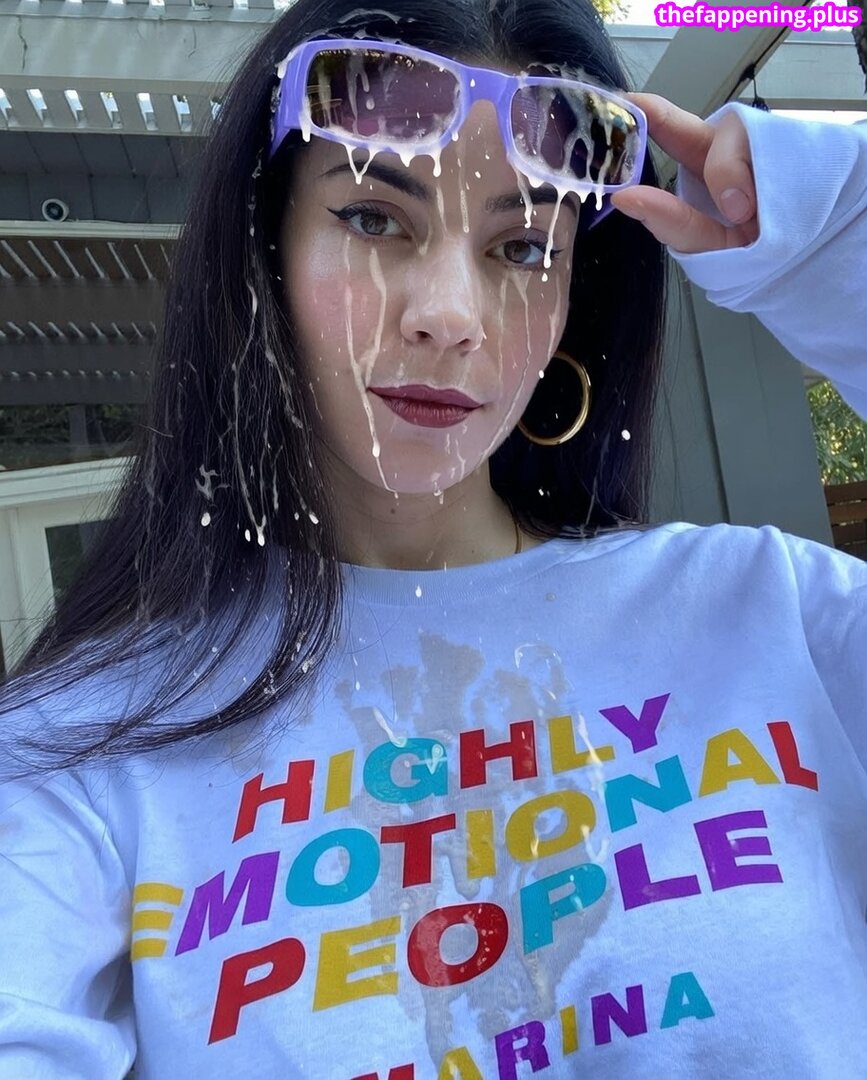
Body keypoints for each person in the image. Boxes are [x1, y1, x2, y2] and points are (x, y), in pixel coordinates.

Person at [0, 0, 865, 1076]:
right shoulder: (82, 749)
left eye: (523, 245)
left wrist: (840, 245)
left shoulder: (776, 614)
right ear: (263, 254)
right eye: (374, 217)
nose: (450, 314)